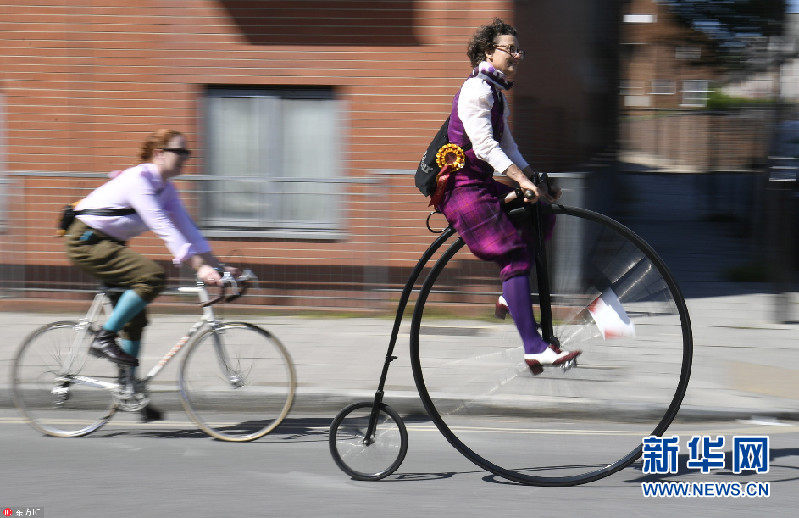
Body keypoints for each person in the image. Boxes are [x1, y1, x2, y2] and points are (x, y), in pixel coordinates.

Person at [433, 18, 581, 372]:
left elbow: (508, 146)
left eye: (519, 50)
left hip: (480, 184)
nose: (517, 56)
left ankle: (509, 294)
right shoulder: (476, 91)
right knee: (514, 255)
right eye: (510, 49)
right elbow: (485, 146)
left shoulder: (495, 92)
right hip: (461, 189)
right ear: (488, 52)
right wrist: (519, 180)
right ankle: (534, 347)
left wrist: (535, 180)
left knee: (540, 214)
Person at [64, 129, 238, 420]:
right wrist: (199, 266)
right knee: (152, 276)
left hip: (110, 244)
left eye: (187, 153)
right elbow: (162, 226)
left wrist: (218, 265)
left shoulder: (167, 189)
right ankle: (104, 337)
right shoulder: (139, 180)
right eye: (179, 152)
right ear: (159, 154)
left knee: (135, 319)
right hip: (86, 241)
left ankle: (128, 389)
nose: (185, 158)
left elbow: (188, 229)